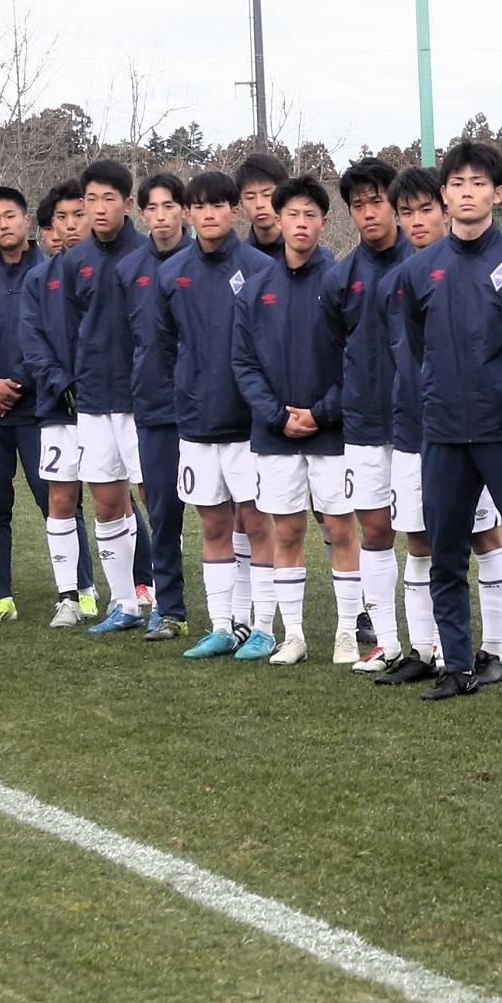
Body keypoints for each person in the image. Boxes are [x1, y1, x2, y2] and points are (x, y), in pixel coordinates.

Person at [390, 138, 502, 702]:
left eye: (478, 183)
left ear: (499, 193)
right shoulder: (417, 272)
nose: (467, 192)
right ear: (444, 194)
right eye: (457, 183)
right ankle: (457, 667)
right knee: (445, 555)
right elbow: (418, 347)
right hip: (442, 432)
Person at [371, 163, 502, 686]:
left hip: (476, 427)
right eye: (405, 213)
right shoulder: (405, 279)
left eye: (425, 209)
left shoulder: (478, 267)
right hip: (416, 429)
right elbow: (407, 352)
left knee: (482, 534)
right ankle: (426, 650)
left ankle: (491, 651)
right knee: (419, 538)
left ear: (446, 204)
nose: (415, 222)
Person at [137, 169, 279, 660]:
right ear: (189, 213)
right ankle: (223, 625)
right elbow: (163, 346)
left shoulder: (261, 268)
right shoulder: (170, 274)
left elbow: (271, 346)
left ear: (233, 211)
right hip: (196, 424)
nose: (209, 214)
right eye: (199, 206)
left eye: (219, 205)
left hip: (249, 426)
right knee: (214, 527)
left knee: (258, 526)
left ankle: (263, 626)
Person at [0, 184, 87, 623]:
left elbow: (51, 338)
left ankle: (81, 589)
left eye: (11, 215)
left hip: (38, 408)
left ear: (27, 220)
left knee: (59, 501)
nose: (4, 224)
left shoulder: (52, 272)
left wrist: (19, 384)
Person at [231, 175, 349, 668]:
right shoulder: (257, 288)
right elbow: (243, 363)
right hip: (275, 435)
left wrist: (320, 413)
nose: (301, 224)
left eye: (310, 215)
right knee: (287, 533)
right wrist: (278, 417)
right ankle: (294, 635)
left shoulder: (342, 281)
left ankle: (347, 633)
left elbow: (356, 361)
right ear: (278, 220)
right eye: (292, 215)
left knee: (342, 531)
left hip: (333, 432)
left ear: (324, 222)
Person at [57, 159, 156, 635]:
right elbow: (72, 327)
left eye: (108, 199)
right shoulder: (74, 261)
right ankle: (124, 603)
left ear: (128, 204)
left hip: (143, 400)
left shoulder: (150, 253)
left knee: (154, 499)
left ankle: (161, 596)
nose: (97, 209)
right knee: (105, 501)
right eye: (90, 200)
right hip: (95, 400)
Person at [332, 155, 406, 670]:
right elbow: (334, 349)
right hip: (362, 422)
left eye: (376, 202)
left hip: (419, 423)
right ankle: (386, 638)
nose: (368, 213)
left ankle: (437, 639)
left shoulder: (424, 260)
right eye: (358, 206)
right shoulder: (342, 277)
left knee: (430, 535)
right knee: (375, 531)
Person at [22, 182, 99, 624]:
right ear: (51, 227)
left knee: (123, 498)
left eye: (78, 214)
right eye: (61, 218)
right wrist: (60, 382)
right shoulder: (39, 279)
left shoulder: (117, 268)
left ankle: (141, 592)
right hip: (59, 405)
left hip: (111, 403)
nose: (71, 225)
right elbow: (32, 340)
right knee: (61, 497)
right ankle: (69, 595)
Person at [129, 169, 192, 641]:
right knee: (163, 513)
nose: (161, 216)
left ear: (184, 211)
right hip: (153, 407)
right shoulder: (128, 270)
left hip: (210, 409)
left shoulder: (203, 261)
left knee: (229, 516)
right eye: (152, 208)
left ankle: (244, 612)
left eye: (169, 206)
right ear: (141, 212)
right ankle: (170, 608)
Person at [236, 150, 290, 259]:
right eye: (250, 197)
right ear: (241, 204)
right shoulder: (238, 260)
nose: (259, 204)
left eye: (267, 194)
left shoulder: (309, 257)